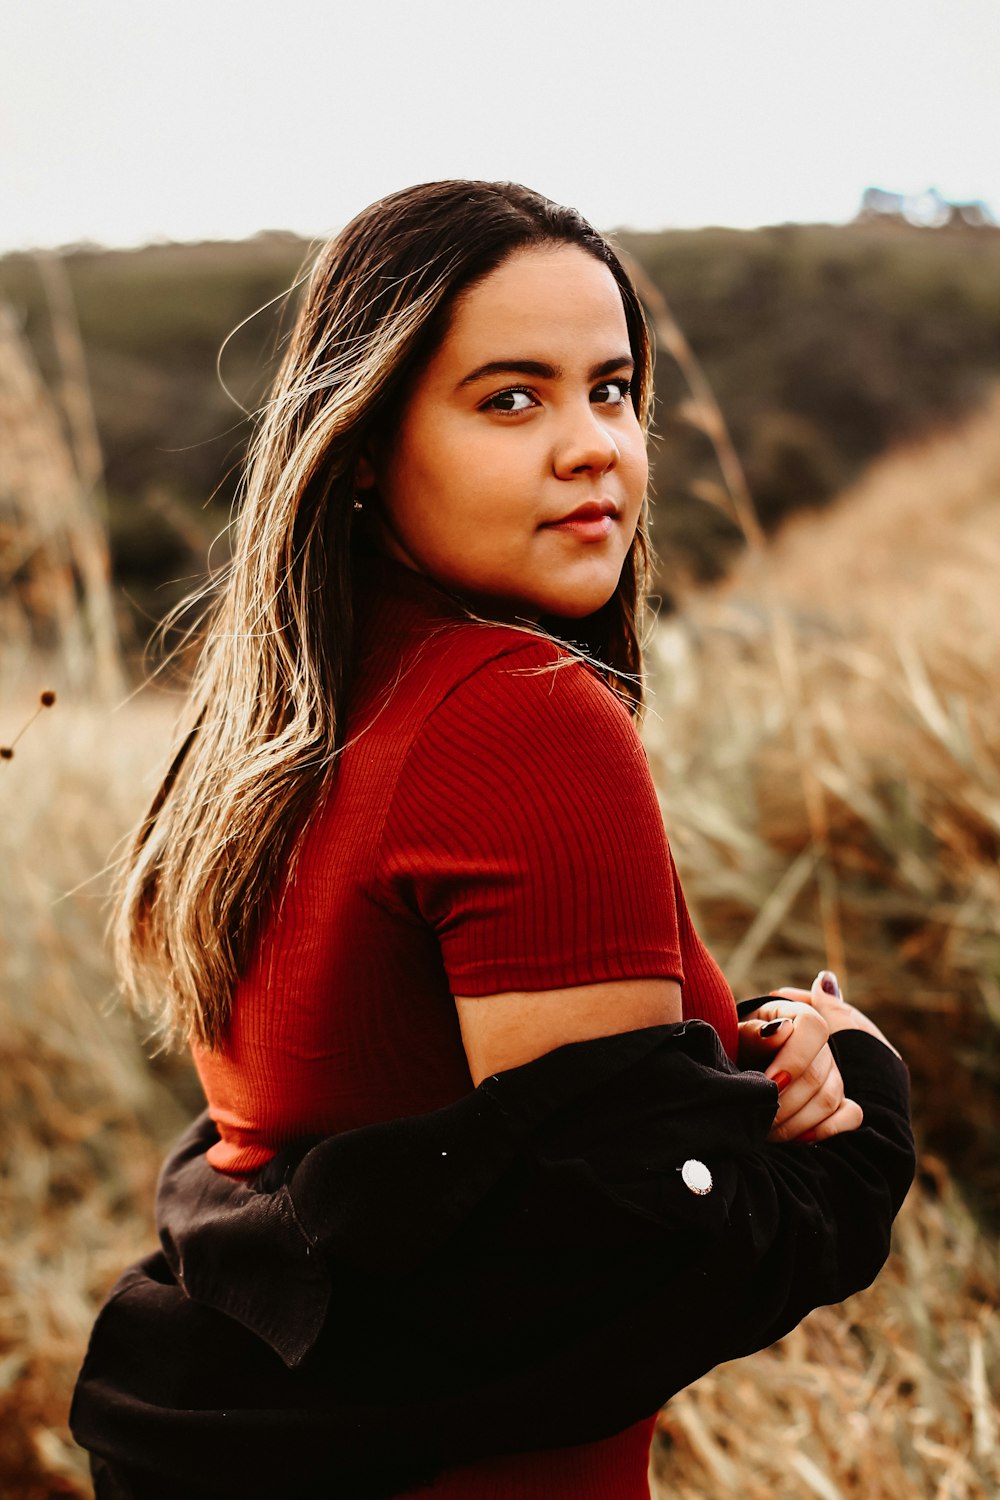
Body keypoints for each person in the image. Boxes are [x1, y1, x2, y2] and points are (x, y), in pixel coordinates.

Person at [71, 181, 913, 1500]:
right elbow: (633, 1254)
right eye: (511, 399)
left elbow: (387, 1124)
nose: (594, 446)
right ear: (358, 446)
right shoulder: (521, 720)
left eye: (614, 389)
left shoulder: (277, 726)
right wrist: (865, 1097)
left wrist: (733, 1065)